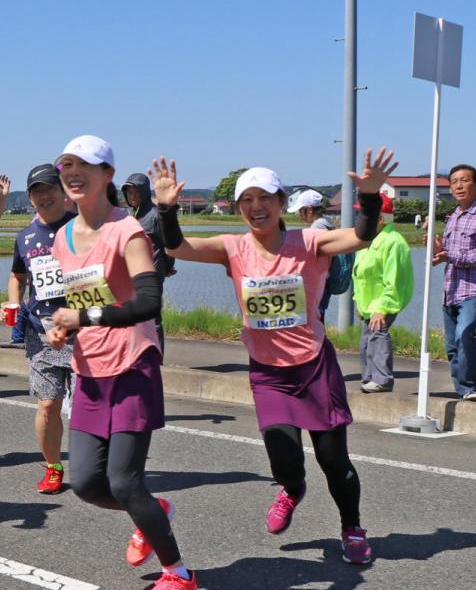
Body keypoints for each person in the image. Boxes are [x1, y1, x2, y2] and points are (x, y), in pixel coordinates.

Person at [155, 148, 400, 566]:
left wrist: (370, 196)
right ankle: (292, 488)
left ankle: (352, 528)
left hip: (313, 367)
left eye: (265, 198)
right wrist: (165, 208)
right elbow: (176, 247)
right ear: (239, 208)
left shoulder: (308, 242)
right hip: (268, 372)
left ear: (282, 202)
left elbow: (361, 236)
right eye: (247, 200)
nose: (256, 207)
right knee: (283, 458)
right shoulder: (232, 247)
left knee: (332, 458)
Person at [45, 135, 196, 590]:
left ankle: (179, 575)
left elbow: (148, 302)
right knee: (87, 484)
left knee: (126, 481)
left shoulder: (126, 230)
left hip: (132, 364)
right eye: (66, 165)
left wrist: (85, 317)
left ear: (107, 174)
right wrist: (64, 327)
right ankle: (154, 513)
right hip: (90, 370)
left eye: (85, 165)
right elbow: (77, 298)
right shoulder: (62, 237)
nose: (73, 173)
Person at [6, 163, 77, 494]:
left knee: (88, 407)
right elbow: (17, 277)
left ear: (63, 192)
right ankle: (53, 467)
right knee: (48, 405)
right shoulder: (25, 237)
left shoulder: (81, 228)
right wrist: (13, 302)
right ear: (30, 198)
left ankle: (99, 465)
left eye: (49, 189)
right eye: (37, 191)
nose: (43, 196)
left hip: (81, 332)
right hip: (40, 333)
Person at [433, 164, 476, 402]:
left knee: (464, 334)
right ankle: (462, 389)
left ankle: (472, 387)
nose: (459, 186)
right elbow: (447, 253)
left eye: (464, 180)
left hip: (474, 289)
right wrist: (439, 250)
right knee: (452, 344)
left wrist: (450, 256)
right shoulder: (452, 217)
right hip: (450, 289)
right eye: (454, 182)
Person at [353, 193, 413, 393]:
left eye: (364, 214)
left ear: (379, 218)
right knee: (366, 340)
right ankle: (369, 378)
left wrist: (383, 308)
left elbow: (394, 280)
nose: (360, 218)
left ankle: (382, 379)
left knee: (378, 335)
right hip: (368, 303)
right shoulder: (368, 240)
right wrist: (358, 301)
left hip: (383, 303)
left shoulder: (393, 242)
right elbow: (359, 274)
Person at [120, 173, 175, 351]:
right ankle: (139, 354)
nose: (132, 196)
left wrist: (168, 266)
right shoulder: (131, 216)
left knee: (152, 317)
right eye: (129, 193)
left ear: (144, 192)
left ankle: (157, 358)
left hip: (153, 273)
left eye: (136, 192)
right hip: (133, 274)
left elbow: (169, 245)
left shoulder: (155, 214)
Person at [287, 189, 353, 321]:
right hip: (326, 281)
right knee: (318, 319)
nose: (299, 215)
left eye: (301, 210)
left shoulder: (317, 228)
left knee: (315, 320)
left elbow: (313, 258)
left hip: (320, 283)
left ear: (310, 209)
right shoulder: (327, 223)